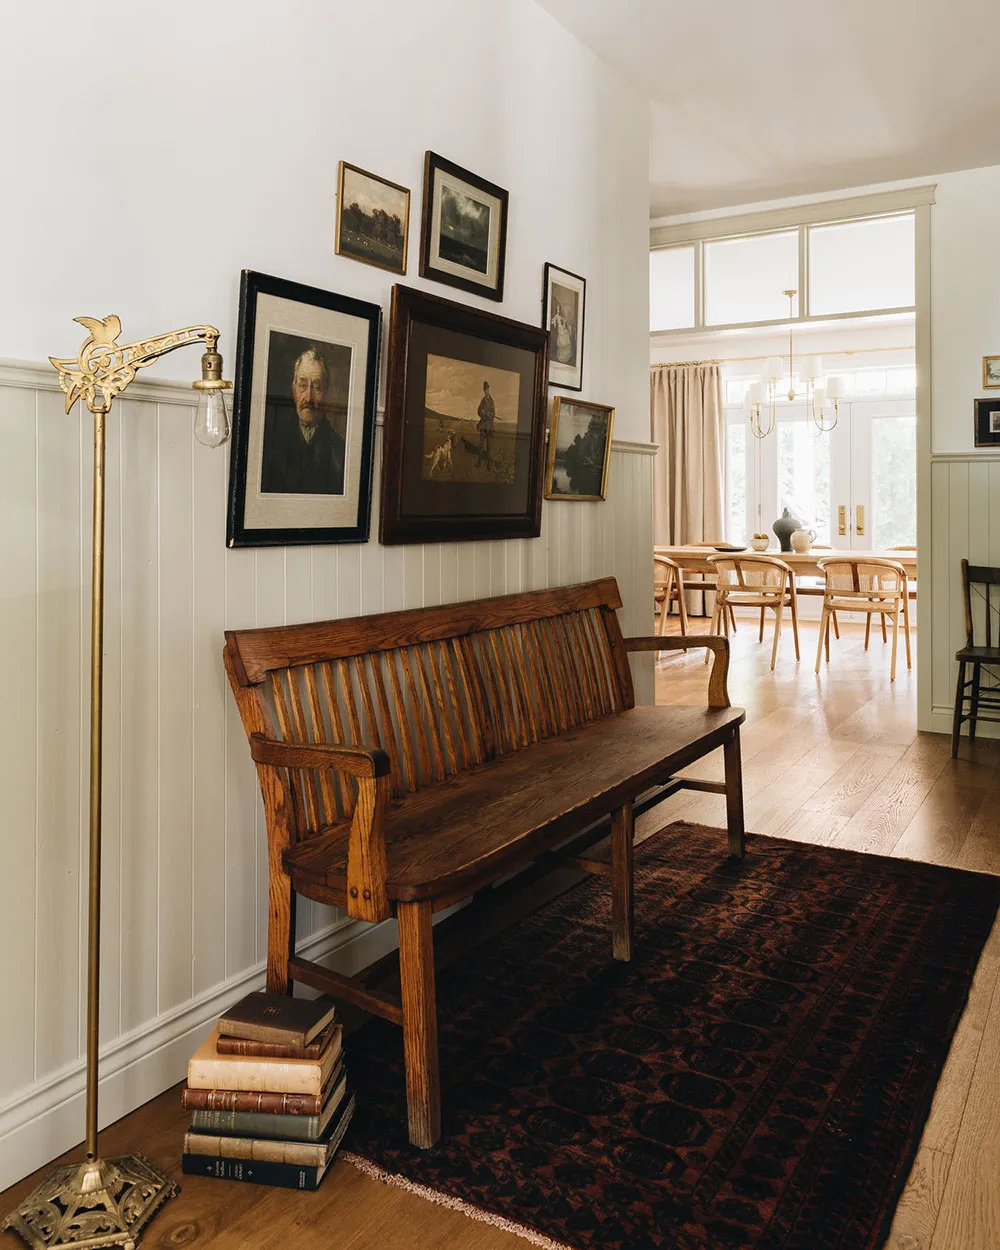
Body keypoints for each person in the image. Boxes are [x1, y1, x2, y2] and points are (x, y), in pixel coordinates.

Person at [260, 344, 346, 494]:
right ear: (294, 390)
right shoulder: (273, 442)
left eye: (317, 387)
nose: (308, 398)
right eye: (302, 385)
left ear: (326, 393)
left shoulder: (339, 451)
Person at [476, 380, 496, 468]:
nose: (486, 391)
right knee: (481, 445)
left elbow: (493, 414)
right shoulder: (482, 401)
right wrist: (483, 413)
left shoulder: (491, 401)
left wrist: (489, 415)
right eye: (485, 389)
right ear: (483, 390)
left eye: (487, 389)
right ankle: (479, 462)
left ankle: (489, 464)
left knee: (489, 445)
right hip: (483, 425)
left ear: (489, 389)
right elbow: (478, 411)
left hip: (489, 426)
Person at [550, 299, 574, 365]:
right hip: (560, 330)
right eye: (557, 310)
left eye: (559, 309)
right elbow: (553, 321)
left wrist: (564, 322)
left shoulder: (560, 316)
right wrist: (553, 322)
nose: (558, 311)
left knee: (566, 341)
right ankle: (561, 356)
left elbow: (563, 320)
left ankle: (566, 355)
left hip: (563, 329)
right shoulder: (556, 316)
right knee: (562, 343)